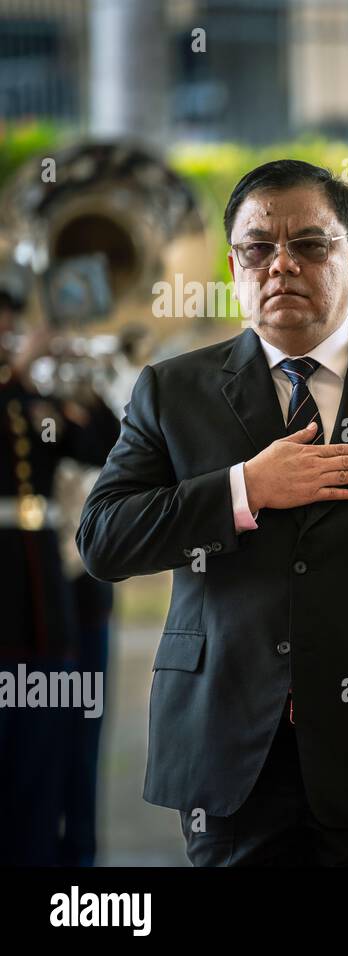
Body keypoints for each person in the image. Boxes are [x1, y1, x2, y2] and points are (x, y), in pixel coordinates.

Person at [76, 160, 348, 866]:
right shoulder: (172, 390)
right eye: (258, 248)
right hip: (226, 755)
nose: (281, 264)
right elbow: (104, 541)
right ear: (233, 267)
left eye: (309, 245)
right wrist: (244, 488)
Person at [0, 271, 119, 865]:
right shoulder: (14, 387)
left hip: (42, 593)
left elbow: (102, 446)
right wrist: (21, 367)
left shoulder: (31, 398)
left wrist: (84, 380)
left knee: (44, 755)